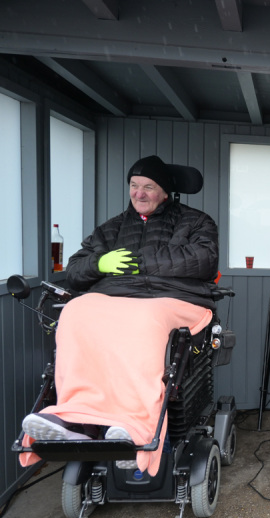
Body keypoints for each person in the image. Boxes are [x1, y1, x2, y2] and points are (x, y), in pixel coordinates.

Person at [20, 155, 219, 476]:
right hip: (116, 299)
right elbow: (75, 270)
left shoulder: (196, 222)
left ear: (165, 191)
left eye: (148, 187)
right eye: (134, 185)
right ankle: (76, 419)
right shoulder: (111, 228)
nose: (139, 193)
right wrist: (99, 263)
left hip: (175, 299)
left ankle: (136, 426)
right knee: (75, 311)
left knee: (144, 318)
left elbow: (204, 259)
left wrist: (140, 262)